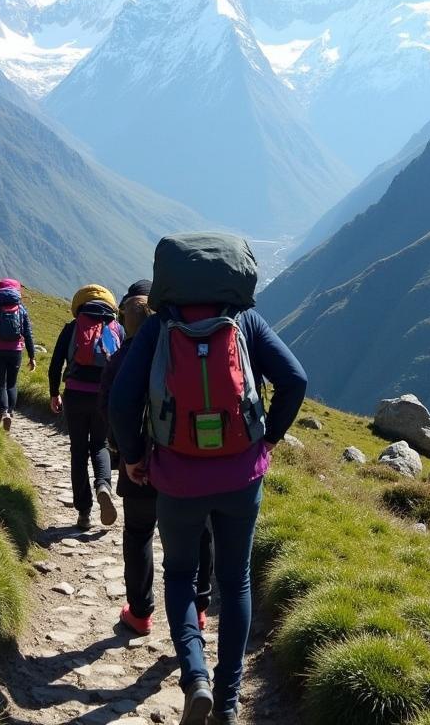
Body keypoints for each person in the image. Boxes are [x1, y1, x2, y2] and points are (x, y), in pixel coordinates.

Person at [110, 234, 307, 725]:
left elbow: (120, 401)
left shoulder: (158, 328)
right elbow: (295, 380)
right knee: (234, 581)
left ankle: (194, 677)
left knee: (178, 574)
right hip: (242, 475)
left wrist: (134, 457)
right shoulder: (245, 321)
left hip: (175, 476)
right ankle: (229, 699)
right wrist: (270, 439)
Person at [99, 279, 214, 637]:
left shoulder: (119, 361)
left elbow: (111, 416)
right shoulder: (182, 354)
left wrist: (126, 456)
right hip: (184, 464)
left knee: (138, 533)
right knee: (198, 533)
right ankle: (197, 608)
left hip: (139, 469)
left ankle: (140, 612)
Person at [50, 284, 124, 532]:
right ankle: (103, 485)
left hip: (75, 395)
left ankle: (84, 512)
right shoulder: (117, 329)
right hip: (105, 397)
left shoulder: (72, 328)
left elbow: (56, 363)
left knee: (78, 451)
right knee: (100, 445)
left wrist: (53, 394)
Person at [0, 278, 36, 431]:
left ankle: (3, 412)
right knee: (12, 383)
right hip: (16, 351)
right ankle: (10, 412)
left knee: (0, 384)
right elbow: (28, 333)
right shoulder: (21, 308)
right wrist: (32, 356)